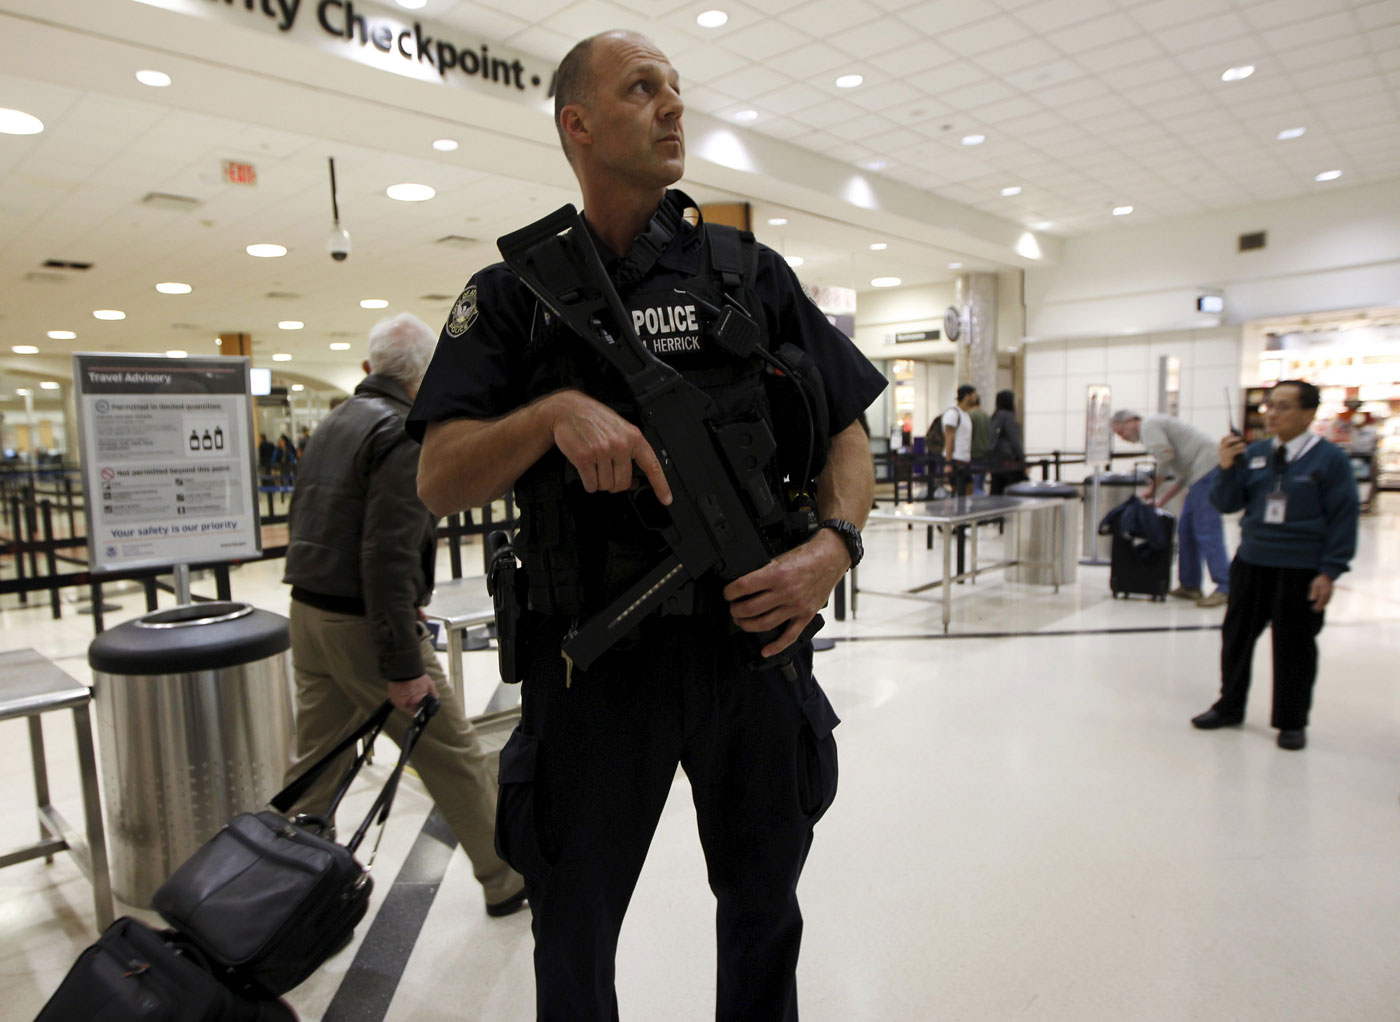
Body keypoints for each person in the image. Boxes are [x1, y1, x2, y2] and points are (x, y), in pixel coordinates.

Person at [407, 29, 885, 1022]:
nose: (673, 107)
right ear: (577, 125)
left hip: (754, 643)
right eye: (642, 89)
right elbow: (438, 477)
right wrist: (546, 416)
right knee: (572, 934)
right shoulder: (513, 297)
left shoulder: (746, 272)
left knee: (763, 914)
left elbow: (848, 438)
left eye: (676, 89)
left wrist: (829, 547)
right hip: (593, 671)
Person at [281, 312, 526, 917]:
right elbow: (385, 557)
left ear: (372, 368)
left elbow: (328, 524)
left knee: (315, 766)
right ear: (428, 374)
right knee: (453, 755)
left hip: (309, 613)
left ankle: (287, 881)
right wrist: (402, 662)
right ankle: (507, 879)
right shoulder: (402, 432)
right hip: (365, 625)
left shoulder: (337, 420)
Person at [1192, 380, 1359, 751]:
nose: (1272, 413)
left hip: (1300, 567)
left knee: (1294, 646)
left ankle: (1291, 721)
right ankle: (1229, 706)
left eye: (1283, 406)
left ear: (1308, 413)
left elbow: (1344, 518)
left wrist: (1330, 571)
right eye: (1270, 405)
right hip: (1253, 561)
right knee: (1236, 639)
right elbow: (1227, 503)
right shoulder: (1256, 454)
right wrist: (1226, 467)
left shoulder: (1330, 460)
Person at [1110, 409, 1231, 607]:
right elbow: (1183, 475)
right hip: (1199, 476)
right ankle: (1190, 585)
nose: (1123, 437)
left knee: (1207, 531)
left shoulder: (1149, 426)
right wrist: (1161, 498)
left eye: (1121, 431)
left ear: (1131, 421)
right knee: (1186, 530)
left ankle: (1226, 586)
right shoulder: (1159, 429)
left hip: (1207, 473)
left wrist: (1153, 488)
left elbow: (1165, 457)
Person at [987, 389, 1026, 495]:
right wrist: (1023, 459)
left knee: (997, 490)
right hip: (1009, 460)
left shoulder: (994, 417)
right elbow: (1015, 440)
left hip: (995, 460)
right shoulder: (1009, 416)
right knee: (1014, 491)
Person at [940, 384, 977, 497]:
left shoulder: (965, 414)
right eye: (974, 395)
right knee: (958, 493)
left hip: (964, 460)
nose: (976, 398)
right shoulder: (953, 413)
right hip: (955, 460)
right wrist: (948, 462)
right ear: (967, 396)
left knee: (968, 491)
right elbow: (949, 437)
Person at [968, 393, 990, 494]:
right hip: (985, 454)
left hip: (973, 453)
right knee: (980, 483)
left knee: (974, 485)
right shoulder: (986, 416)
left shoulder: (969, 415)